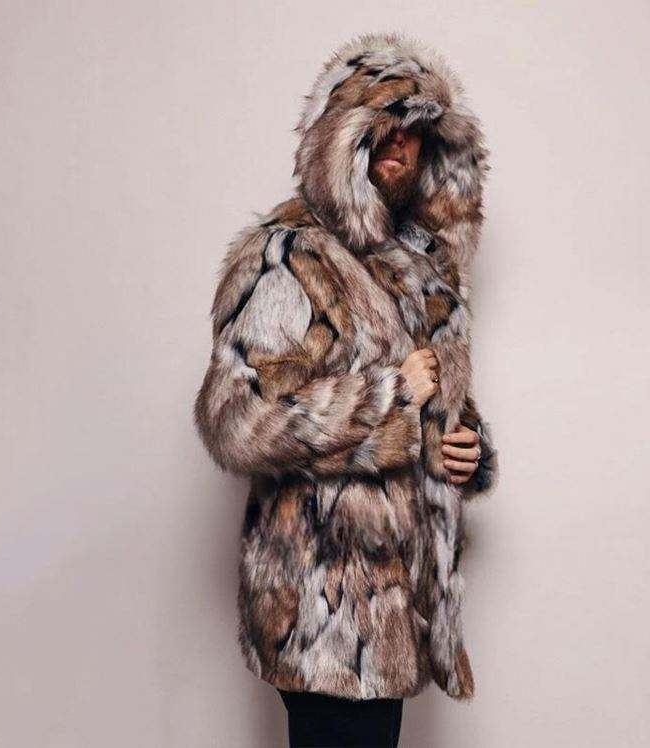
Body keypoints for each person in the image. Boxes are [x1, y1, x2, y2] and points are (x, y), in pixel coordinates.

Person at [193, 31, 500, 747]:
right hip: (319, 606)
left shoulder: (421, 264)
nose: (398, 146)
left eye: (413, 132)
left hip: (396, 608)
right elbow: (237, 418)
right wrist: (389, 398)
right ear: (343, 139)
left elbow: (437, 405)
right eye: (380, 128)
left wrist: (463, 450)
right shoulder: (287, 254)